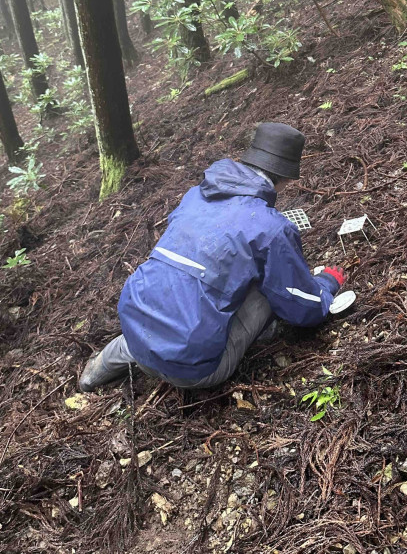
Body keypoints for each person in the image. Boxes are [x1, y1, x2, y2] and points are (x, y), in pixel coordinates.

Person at [79, 122, 345, 392]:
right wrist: (326, 285)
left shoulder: (194, 196)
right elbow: (300, 305)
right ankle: (260, 334)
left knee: (177, 285)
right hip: (192, 370)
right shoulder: (271, 227)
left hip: (136, 331)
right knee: (269, 286)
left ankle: (94, 373)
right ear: (286, 177)